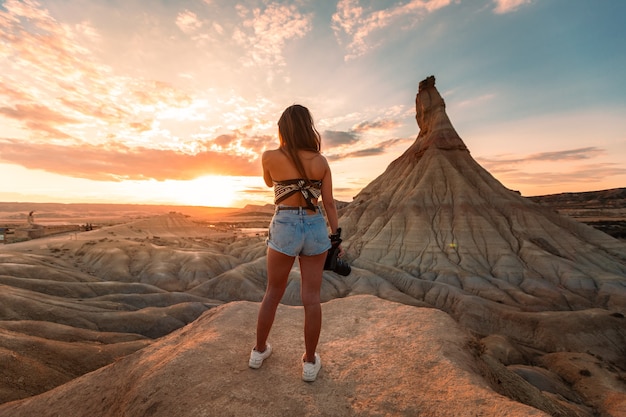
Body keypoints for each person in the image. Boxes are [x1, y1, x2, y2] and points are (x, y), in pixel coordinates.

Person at [249, 104, 341, 382]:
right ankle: (310, 363)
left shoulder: (269, 156)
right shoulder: (321, 162)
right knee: (311, 299)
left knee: (272, 292)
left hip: (285, 224)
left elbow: (268, 183)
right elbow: (329, 204)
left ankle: (258, 351)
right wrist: (336, 238)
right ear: (307, 128)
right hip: (314, 226)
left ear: (283, 129)